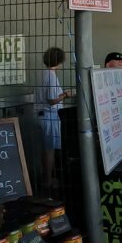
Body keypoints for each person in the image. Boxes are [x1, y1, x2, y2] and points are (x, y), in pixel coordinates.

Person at [37, 47, 70, 189]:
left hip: (42, 115)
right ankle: (49, 181)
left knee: (45, 149)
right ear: (59, 61)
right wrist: (66, 95)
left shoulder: (42, 74)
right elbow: (51, 99)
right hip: (49, 116)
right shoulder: (51, 76)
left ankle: (46, 177)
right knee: (50, 150)